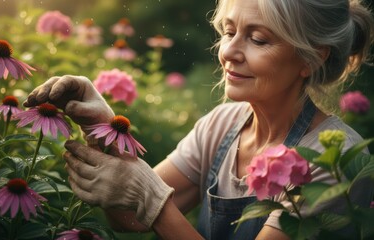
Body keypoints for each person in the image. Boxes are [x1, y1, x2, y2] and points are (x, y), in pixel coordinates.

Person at [24, 0, 374, 239]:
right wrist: (103, 129)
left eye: (257, 39)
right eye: (228, 31)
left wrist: (153, 200)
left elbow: (152, 204)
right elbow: (128, 219)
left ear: (311, 58)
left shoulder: (336, 158)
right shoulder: (221, 125)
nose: (229, 52)